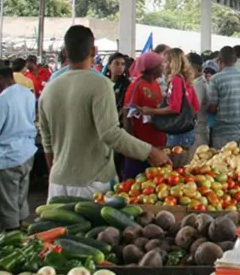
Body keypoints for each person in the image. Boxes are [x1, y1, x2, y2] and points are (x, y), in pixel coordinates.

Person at [39, 26, 169, 198]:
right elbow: (110, 134)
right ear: (93, 50)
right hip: (91, 183)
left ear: (65, 52)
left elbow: (47, 142)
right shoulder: (100, 84)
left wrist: (56, 174)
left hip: (58, 183)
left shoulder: (50, 88)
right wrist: (150, 152)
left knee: (58, 226)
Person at [0, 59, 37, 231]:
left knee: (6, 203)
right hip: (27, 153)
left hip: (8, 157)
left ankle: (12, 237)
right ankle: (21, 231)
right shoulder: (27, 93)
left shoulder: (2, 99)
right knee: (20, 197)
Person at [140, 48, 200, 147]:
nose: (163, 65)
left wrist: (151, 111)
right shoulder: (187, 80)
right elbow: (196, 106)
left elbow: (174, 108)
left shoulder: (176, 79)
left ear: (172, 63)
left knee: (175, 161)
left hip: (177, 132)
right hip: (188, 130)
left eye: (165, 61)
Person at [123, 52, 166, 179]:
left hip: (157, 140)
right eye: (160, 65)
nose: (163, 67)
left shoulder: (156, 84)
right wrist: (130, 144)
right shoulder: (137, 85)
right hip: (141, 144)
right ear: (153, 68)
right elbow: (127, 113)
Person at [208, 46, 240, 148]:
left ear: (219, 60)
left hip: (223, 132)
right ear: (235, 60)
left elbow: (212, 108)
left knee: (222, 162)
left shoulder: (216, 79)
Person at [187, 53, 209, 149]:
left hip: (198, 132)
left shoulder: (198, 85)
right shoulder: (200, 82)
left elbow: (194, 110)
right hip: (199, 130)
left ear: (194, 68)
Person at [104, 53, 130, 120]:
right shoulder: (104, 82)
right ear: (109, 66)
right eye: (117, 63)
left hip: (117, 120)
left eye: (123, 64)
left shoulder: (126, 84)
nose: (120, 67)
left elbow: (123, 106)